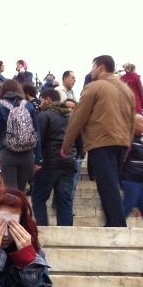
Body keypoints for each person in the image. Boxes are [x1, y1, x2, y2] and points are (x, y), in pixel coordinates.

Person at [62, 55, 136, 227]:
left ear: (101, 67)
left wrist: (67, 145)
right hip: (122, 143)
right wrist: (128, 144)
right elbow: (132, 121)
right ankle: (112, 221)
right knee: (109, 183)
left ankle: (117, 224)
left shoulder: (94, 87)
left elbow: (78, 117)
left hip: (102, 142)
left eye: (93, 67)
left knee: (107, 185)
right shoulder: (126, 90)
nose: (91, 71)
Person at [32, 89, 83, 227]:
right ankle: (67, 232)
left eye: (41, 100)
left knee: (38, 198)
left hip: (49, 163)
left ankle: (43, 229)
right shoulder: (71, 118)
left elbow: (38, 141)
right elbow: (81, 143)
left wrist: (37, 161)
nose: (40, 103)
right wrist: (73, 157)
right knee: (64, 201)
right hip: (69, 164)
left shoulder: (44, 116)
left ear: (48, 100)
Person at [0, 79, 42, 191]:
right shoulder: (28, 105)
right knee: (20, 192)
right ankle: (21, 209)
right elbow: (36, 133)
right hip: (28, 155)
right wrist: (38, 158)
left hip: (8, 153)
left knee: (11, 192)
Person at [120, 114, 143, 226]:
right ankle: (112, 227)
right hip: (131, 181)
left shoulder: (140, 141)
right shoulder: (128, 140)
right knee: (126, 208)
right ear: (135, 125)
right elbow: (121, 160)